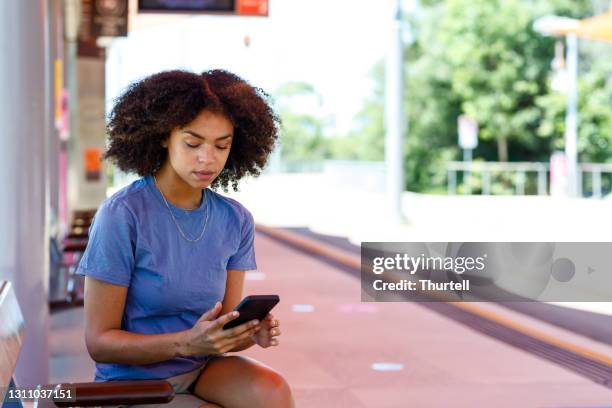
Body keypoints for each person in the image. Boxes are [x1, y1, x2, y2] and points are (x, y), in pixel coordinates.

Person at [77, 70, 294, 408]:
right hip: (134, 381)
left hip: (203, 368)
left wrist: (246, 335)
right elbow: (99, 342)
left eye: (222, 145)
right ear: (164, 136)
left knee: (273, 392)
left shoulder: (235, 220)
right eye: (193, 143)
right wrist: (185, 343)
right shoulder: (122, 215)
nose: (208, 159)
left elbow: (220, 332)